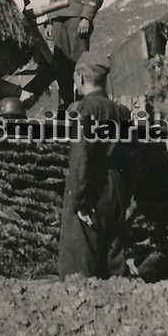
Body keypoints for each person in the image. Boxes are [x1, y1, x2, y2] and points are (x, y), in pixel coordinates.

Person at [57, 52, 130, 280]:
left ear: (80, 79)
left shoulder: (86, 109)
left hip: (92, 191)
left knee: (79, 269)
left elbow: (81, 158)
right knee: (113, 263)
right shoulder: (120, 112)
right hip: (115, 189)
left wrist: (79, 201)